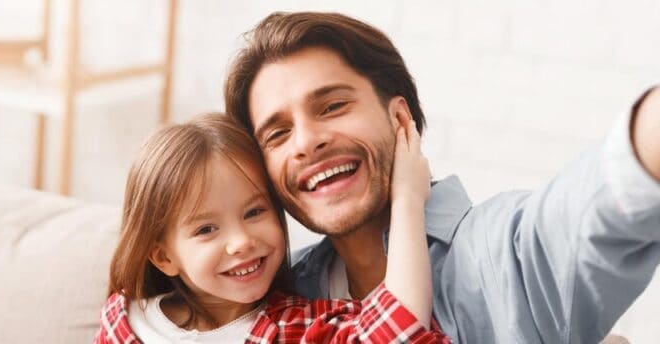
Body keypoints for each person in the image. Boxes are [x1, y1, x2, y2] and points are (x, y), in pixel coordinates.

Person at [223, 11, 660, 343]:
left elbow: (598, 197)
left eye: (333, 106)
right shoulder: (274, 294)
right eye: (278, 133)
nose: (306, 142)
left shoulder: (497, 256)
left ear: (400, 118)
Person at [95, 113, 449, 343]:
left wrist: (406, 200)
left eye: (253, 212)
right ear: (164, 256)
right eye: (206, 230)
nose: (241, 242)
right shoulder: (124, 321)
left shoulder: (299, 329)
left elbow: (399, 331)